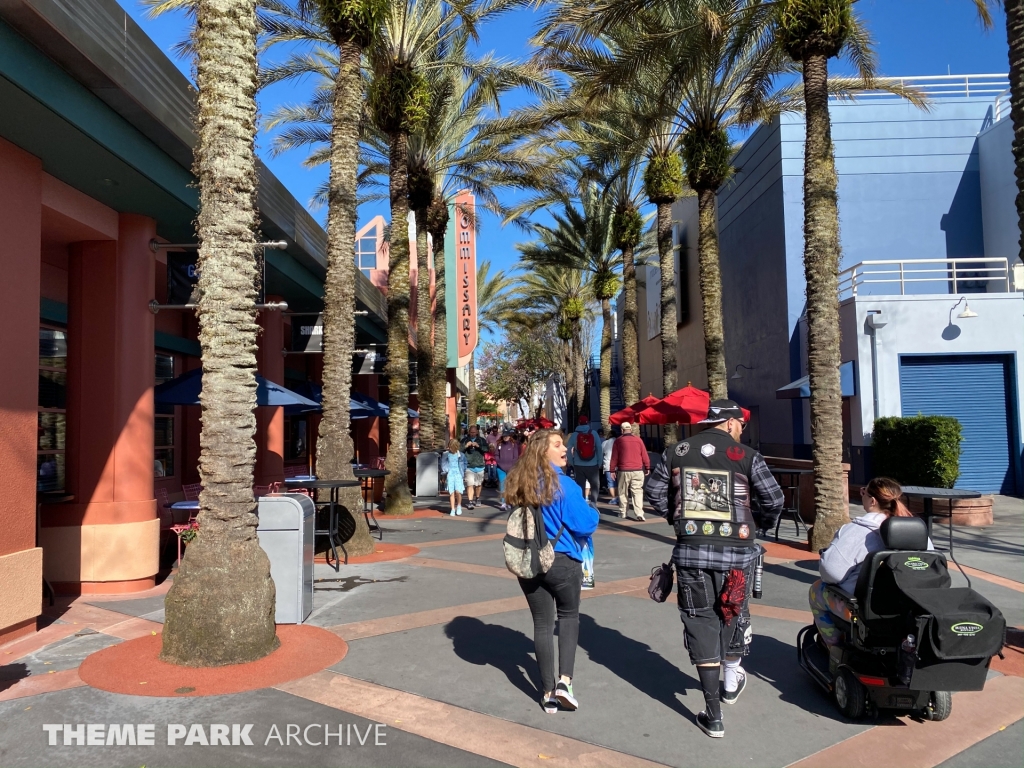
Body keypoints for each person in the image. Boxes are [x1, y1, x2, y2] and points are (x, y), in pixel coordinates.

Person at [648, 400, 784, 739]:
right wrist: (759, 524)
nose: (742, 431)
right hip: (738, 555)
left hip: (691, 553)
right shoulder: (747, 456)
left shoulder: (676, 451)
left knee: (700, 622)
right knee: (734, 612)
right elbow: (774, 498)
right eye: (740, 425)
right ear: (730, 423)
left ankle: (713, 714)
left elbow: (653, 492)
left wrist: (676, 517)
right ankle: (730, 680)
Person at [505, 429, 599, 714]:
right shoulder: (565, 485)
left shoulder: (519, 483)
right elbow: (585, 524)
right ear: (542, 451)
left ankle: (547, 693)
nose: (565, 449)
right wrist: (592, 508)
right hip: (562, 560)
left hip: (528, 561)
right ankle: (564, 683)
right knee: (568, 617)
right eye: (557, 444)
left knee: (542, 625)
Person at [809, 477, 920, 646]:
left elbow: (831, 574)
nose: (862, 495)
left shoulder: (856, 532)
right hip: (909, 609)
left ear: (872, 500)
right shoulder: (918, 531)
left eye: (864, 492)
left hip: (865, 610)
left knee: (817, 589)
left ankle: (834, 648)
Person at [610, 422, 650, 520]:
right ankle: (639, 513)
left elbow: (614, 457)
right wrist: (647, 467)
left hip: (623, 470)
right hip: (638, 470)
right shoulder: (638, 440)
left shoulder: (618, 441)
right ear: (631, 430)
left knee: (623, 492)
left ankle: (623, 512)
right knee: (637, 491)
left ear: (622, 430)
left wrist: (612, 470)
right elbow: (644, 455)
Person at [567, 414, 602, 504]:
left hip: (579, 465)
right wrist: (599, 462)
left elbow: (568, 449)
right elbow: (599, 448)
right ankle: (594, 502)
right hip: (593, 465)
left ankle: (582, 504)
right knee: (595, 485)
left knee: (580, 486)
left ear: (579, 423)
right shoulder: (594, 433)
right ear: (588, 423)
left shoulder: (574, 435)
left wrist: (572, 462)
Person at [462, 424, 489, 509]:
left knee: (478, 485)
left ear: (477, 432)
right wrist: (466, 446)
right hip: (469, 466)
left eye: (474, 432)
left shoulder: (481, 440)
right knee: (470, 484)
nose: (473, 434)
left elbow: (486, 449)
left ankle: (477, 498)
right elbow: (459, 450)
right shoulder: (464, 440)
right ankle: (470, 501)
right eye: (471, 432)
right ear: (469, 432)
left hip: (479, 466)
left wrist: (478, 446)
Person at [439, 439, 467, 516]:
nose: (450, 448)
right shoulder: (446, 454)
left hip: (458, 474)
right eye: (450, 447)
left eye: (452, 447)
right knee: (451, 492)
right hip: (450, 474)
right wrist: (446, 470)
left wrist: (463, 471)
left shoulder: (461, 455)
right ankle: (452, 509)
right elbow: (443, 463)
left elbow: (465, 463)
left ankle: (458, 506)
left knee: (458, 491)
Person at [495, 430, 521, 511]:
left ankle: (510, 502)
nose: (505, 437)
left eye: (507, 436)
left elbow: (515, 457)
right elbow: (496, 455)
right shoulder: (499, 444)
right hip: (500, 468)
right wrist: (500, 464)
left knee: (510, 486)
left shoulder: (514, 445)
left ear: (510, 436)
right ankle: (503, 503)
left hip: (511, 469)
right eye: (504, 436)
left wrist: (511, 466)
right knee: (502, 485)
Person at [601, 427, 618, 501]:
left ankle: (614, 498)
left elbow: (601, 453)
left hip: (608, 465)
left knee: (611, 483)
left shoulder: (605, 443)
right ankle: (618, 497)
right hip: (618, 466)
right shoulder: (619, 441)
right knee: (617, 483)